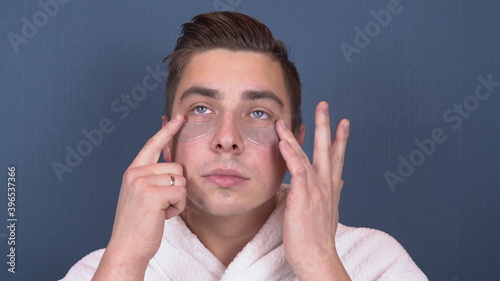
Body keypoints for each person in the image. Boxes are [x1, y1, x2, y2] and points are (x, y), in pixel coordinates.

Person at [61, 12, 427, 281]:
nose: (227, 138)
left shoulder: (374, 261)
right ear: (168, 141)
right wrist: (125, 257)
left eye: (258, 113)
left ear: (294, 146)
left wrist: (318, 260)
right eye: (202, 109)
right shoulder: (104, 270)